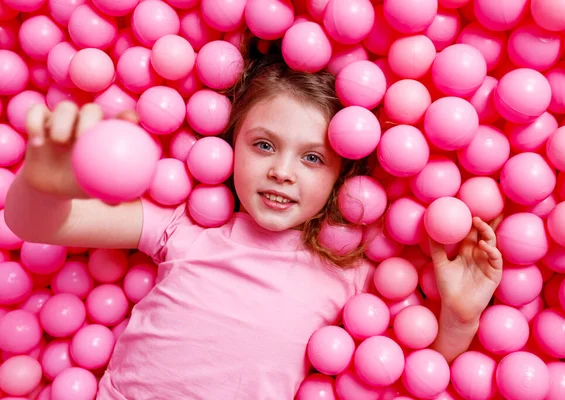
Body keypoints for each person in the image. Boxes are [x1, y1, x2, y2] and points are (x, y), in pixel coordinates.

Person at [5, 48, 503, 399]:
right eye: (263, 145)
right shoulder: (184, 228)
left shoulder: (352, 275)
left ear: (341, 177)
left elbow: (419, 372)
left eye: (312, 158)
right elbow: (40, 226)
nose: (282, 171)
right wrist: (44, 185)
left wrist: (459, 319)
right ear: (230, 143)